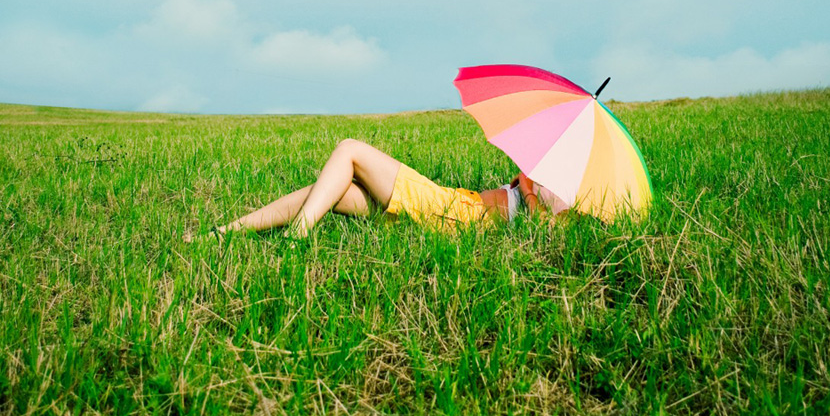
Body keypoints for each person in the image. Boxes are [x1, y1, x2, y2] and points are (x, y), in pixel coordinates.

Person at [186, 138, 567, 240]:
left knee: (350, 150)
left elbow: (543, 232)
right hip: (456, 205)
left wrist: (530, 189)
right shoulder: (559, 176)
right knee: (327, 191)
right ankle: (223, 233)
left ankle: (297, 235)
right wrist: (527, 180)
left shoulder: (576, 196)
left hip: (457, 216)